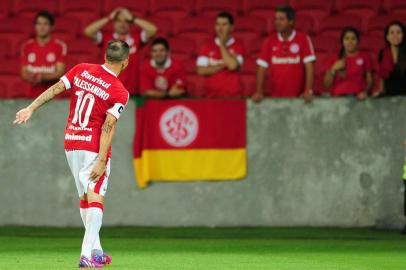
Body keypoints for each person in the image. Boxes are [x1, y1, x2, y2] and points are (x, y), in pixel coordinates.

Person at [14, 40, 130, 268]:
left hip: (71, 142)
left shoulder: (81, 69)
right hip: (92, 146)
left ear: (105, 56)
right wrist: (101, 159)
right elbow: (109, 125)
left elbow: (56, 89)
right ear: (126, 62)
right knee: (96, 196)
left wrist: (31, 107)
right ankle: (86, 255)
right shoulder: (119, 91)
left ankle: (96, 251)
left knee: (86, 198)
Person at [84, 7, 158, 95]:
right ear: (113, 23)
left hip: (132, 91)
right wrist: (109, 18)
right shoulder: (106, 37)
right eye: (118, 21)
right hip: (109, 91)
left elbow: (153, 30)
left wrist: (133, 18)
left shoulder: (136, 37)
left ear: (130, 23)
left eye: (126, 21)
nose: (122, 24)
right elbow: (88, 31)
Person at [252, 5, 316, 102]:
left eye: (281, 19)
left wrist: (308, 90)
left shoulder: (303, 38)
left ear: (291, 22)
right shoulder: (269, 40)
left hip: (299, 99)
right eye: (276, 19)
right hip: (276, 99)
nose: (277, 22)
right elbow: (261, 68)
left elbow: (309, 66)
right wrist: (259, 91)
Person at [196, 12, 245, 97]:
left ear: (232, 28)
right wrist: (222, 66)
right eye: (217, 24)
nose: (220, 28)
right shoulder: (207, 45)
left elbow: (232, 66)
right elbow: (201, 71)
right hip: (211, 96)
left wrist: (222, 44)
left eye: (224, 24)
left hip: (233, 96)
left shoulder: (239, 44)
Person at [21, 11, 67, 98]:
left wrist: (41, 77)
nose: (41, 27)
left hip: (53, 96)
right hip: (32, 96)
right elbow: (23, 72)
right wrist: (31, 77)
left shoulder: (59, 46)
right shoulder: (27, 46)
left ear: (52, 27)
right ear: (35, 26)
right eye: (38, 24)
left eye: (45, 24)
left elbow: (60, 72)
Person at [323, 27, 373, 100]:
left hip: (358, 98)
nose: (350, 41)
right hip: (337, 98)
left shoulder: (365, 56)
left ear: (358, 41)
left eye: (353, 38)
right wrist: (333, 69)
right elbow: (326, 84)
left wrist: (366, 92)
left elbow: (370, 81)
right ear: (342, 41)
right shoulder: (334, 57)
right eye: (347, 39)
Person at [374, 21, 406, 96]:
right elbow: (382, 75)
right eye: (392, 33)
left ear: (403, 35)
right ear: (387, 37)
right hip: (389, 95)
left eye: (399, 32)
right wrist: (380, 91)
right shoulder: (382, 53)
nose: (395, 35)